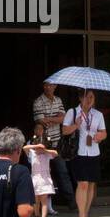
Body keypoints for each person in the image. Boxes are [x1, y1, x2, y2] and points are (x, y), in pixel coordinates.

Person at [61, 89, 107, 217]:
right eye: (87, 97)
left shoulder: (98, 114)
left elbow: (104, 132)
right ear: (80, 98)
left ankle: (85, 215)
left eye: (92, 97)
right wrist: (76, 125)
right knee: (83, 184)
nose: (89, 100)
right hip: (79, 152)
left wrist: (100, 136)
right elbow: (64, 131)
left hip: (93, 152)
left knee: (91, 184)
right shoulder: (72, 112)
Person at [32, 80, 73, 210]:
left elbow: (63, 118)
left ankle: (71, 201)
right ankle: (45, 205)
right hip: (43, 144)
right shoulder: (38, 102)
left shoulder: (58, 100)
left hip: (57, 143)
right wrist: (55, 118)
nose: (49, 87)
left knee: (62, 171)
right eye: (46, 85)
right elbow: (40, 121)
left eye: (51, 85)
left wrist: (49, 119)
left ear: (55, 86)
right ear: (43, 86)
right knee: (43, 173)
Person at [24, 122, 58, 217]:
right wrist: (36, 145)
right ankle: (37, 216)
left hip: (45, 178)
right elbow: (25, 148)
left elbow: (55, 153)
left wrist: (45, 150)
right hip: (35, 178)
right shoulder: (32, 153)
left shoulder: (46, 154)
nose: (39, 150)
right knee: (36, 200)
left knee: (44, 200)